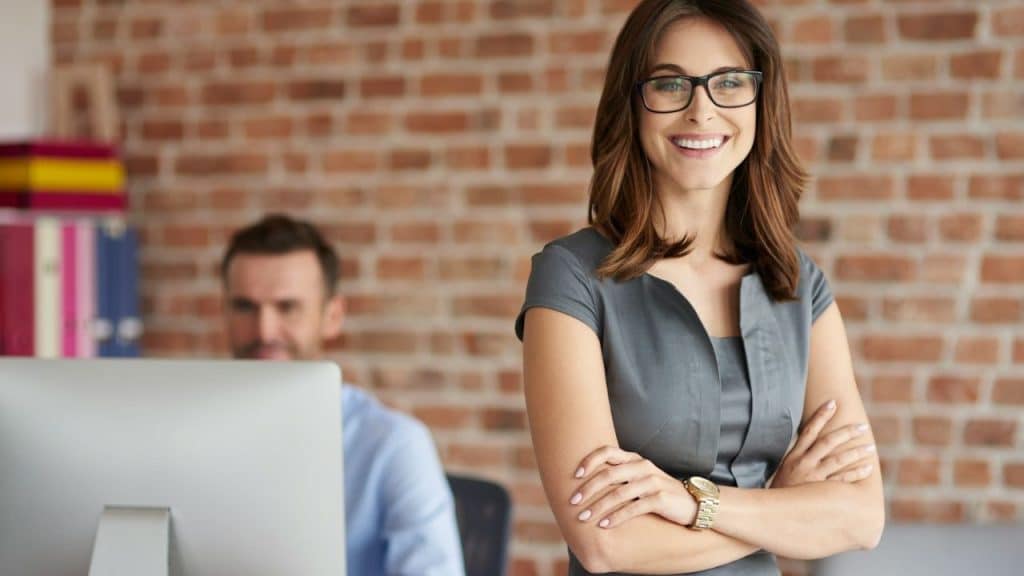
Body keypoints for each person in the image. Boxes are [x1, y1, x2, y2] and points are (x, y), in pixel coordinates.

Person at [515, 1, 884, 574]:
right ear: (631, 105)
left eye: (730, 83)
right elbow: (605, 544)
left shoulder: (797, 284)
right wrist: (779, 509)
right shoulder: (571, 278)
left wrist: (693, 504)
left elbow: (861, 517)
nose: (701, 111)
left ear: (762, 103)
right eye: (669, 85)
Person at [220, 213, 464, 576]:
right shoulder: (194, 439)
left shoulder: (394, 445)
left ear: (332, 316)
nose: (264, 330)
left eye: (287, 307)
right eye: (245, 307)